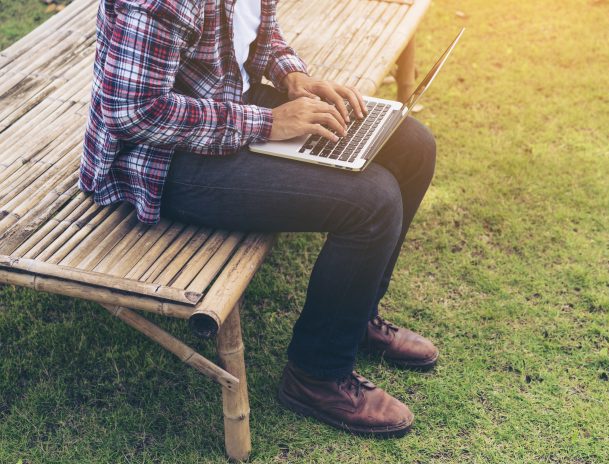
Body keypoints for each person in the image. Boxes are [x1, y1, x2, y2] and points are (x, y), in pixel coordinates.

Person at [79, 0, 438, 437]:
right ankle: (316, 376)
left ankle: (354, 318)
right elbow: (134, 112)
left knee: (412, 144)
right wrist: (268, 123)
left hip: (231, 104)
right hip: (162, 162)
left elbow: (259, 34)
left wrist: (294, 77)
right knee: (372, 201)